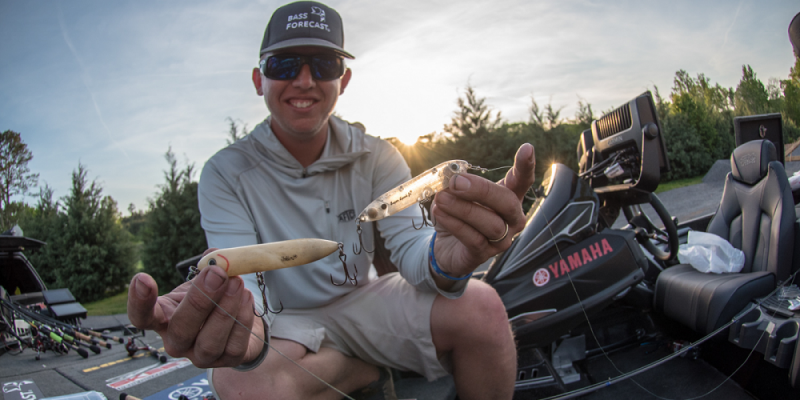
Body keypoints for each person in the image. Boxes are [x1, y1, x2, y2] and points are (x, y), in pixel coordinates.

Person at [127, 1, 536, 399]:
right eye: (284, 64)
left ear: (343, 80)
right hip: (279, 317)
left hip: (363, 300)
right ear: (258, 80)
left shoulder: (381, 156)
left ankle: (340, 366)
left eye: (324, 64)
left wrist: (448, 257)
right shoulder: (223, 172)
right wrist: (245, 332)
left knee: (481, 305)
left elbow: (413, 251)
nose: (304, 80)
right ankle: (362, 367)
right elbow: (244, 285)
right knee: (240, 385)